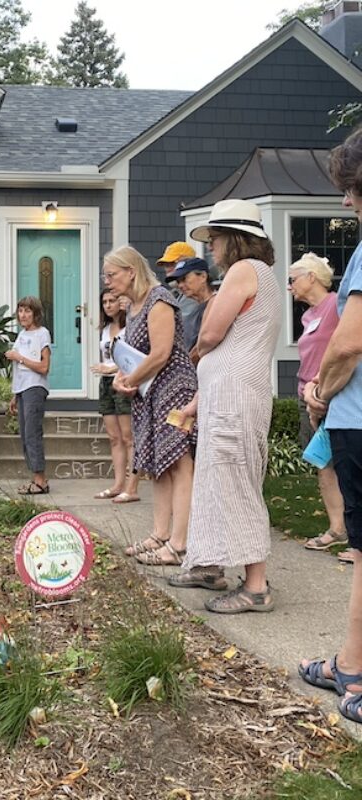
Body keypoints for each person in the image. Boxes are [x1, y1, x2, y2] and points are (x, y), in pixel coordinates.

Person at [171, 199, 281, 611]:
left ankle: (256, 587)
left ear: (235, 240)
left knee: (235, 481)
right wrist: (196, 402)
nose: (210, 249)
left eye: (214, 240)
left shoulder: (244, 270)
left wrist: (198, 349)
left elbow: (213, 333)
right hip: (231, 393)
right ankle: (209, 564)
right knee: (217, 481)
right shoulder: (261, 274)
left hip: (235, 396)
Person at [299, 127, 362, 724]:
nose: (346, 201)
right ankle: (349, 662)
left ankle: (353, 669)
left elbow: (349, 343)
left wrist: (321, 390)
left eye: (350, 189)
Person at [108, 246, 197, 567]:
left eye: (112, 274)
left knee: (180, 463)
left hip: (175, 392)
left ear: (131, 271)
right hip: (149, 394)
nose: (108, 281)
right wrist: (122, 376)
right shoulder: (133, 306)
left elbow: (160, 353)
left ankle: (180, 544)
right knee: (159, 464)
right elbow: (133, 353)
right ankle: (159, 535)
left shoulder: (160, 300)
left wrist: (130, 379)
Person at [287, 253, 347, 560]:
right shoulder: (308, 316)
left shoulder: (337, 305)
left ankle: (353, 533)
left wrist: (322, 388)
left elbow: (345, 349)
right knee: (323, 464)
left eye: (292, 279)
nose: (289, 287)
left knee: (347, 464)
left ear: (312, 277)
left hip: (334, 395)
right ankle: (337, 529)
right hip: (306, 396)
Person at [91, 289, 140, 503]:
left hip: (124, 381)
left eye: (112, 301)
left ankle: (132, 486)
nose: (108, 305)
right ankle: (118, 483)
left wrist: (111, 370)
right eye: (104, 302)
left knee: (128, 437)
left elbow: (132, 359)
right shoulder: (105, 329)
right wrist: (104, 370)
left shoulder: (129, 326)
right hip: (106, 384)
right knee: (114, 437)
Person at [4, 295, 51, 495]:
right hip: (23, 390)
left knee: (32, 434)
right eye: (21, 311)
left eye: (28, 311)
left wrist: (19, 358)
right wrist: (15, 395)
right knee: (25, 435)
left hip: (35, 388)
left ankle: (41, 481)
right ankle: (35, 478)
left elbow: (44, 367)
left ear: (36, 313)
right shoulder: (21, 335)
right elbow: (18, 370)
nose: (23, 315)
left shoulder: (42, 334)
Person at [164, 257, 216, 356]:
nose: (180, 285)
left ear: (203, 276)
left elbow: (203, 345)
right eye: (178, 281)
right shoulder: (196, 308)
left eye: (184, 279)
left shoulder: (215, 305)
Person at [157, 241, 200, 333]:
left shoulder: (193, 295)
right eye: (165, 265)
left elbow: (178, 328)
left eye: (171, 264)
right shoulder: (176, 293)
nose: (167, 269)